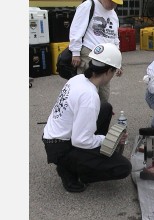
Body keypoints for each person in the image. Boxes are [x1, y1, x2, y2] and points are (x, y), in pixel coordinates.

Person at [42, 43, 132, 193]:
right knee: (123, 167)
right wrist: (109, 138)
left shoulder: (77, 79)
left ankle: (86, 159)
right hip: (61, 148)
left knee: (105, 108)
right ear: (109, 71)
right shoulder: (89, 96)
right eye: (114, 71)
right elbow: (80, 140)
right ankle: (71, 171)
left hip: (53, 137)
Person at [69, 0, 123, 103]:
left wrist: (118, 62)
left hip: (106, 55)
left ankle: (101, 114)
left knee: (104, 93)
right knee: (87, 89)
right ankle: (85, 113)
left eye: (116, 3)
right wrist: (75, 52)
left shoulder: (113, 14)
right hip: (90, 51)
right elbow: (76, 29)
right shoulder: (89, 5)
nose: (114, 5)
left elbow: (115, 38)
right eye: (112, 2)